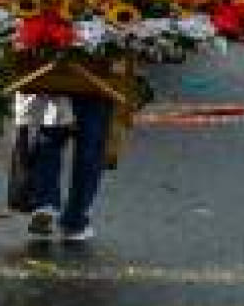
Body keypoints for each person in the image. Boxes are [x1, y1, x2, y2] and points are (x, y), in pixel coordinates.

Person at [9, 52, 145, 245]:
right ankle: (74, 217)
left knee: (51, 134)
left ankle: (47, 203)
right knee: (89, 147)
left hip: (57, 68)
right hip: (96, 73)